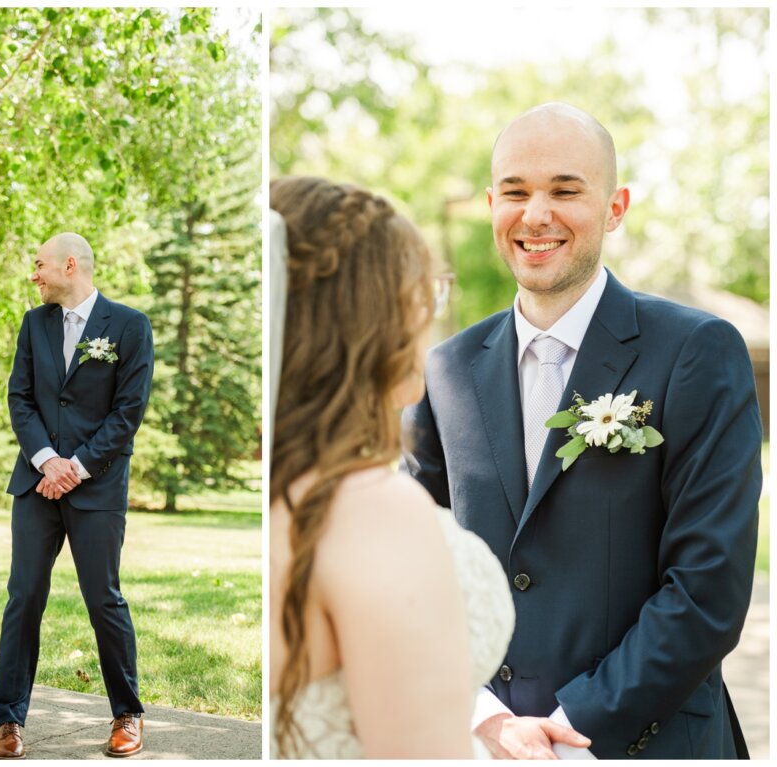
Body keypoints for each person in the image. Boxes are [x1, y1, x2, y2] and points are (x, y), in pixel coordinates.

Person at [402, 102, 761, 759]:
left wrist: (574, 728)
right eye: (515, 191)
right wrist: (484, 717)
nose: (536, 214)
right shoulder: (446, 369)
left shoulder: (697, 350)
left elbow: (709, 586)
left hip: (645, 742)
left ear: (616, 206)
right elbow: (409, 559)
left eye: (565, 190)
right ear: (491, 205)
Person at [270, 176, 514, 758]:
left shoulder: (280, 494)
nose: (430, 312)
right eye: (424, 292)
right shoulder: (373, 510)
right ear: (369, 320)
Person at [0, 232, 154, 760]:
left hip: (98, 485)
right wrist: (46, 461)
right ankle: (9, 721)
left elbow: (127, 413)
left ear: (68, 265)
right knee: (24, 598)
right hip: (36, 483)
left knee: (103, 598)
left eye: (38, 265)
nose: (33, 275)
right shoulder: (33, 323)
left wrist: (77, 467)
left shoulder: (130, 326)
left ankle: (127, 713)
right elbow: (20, 397)